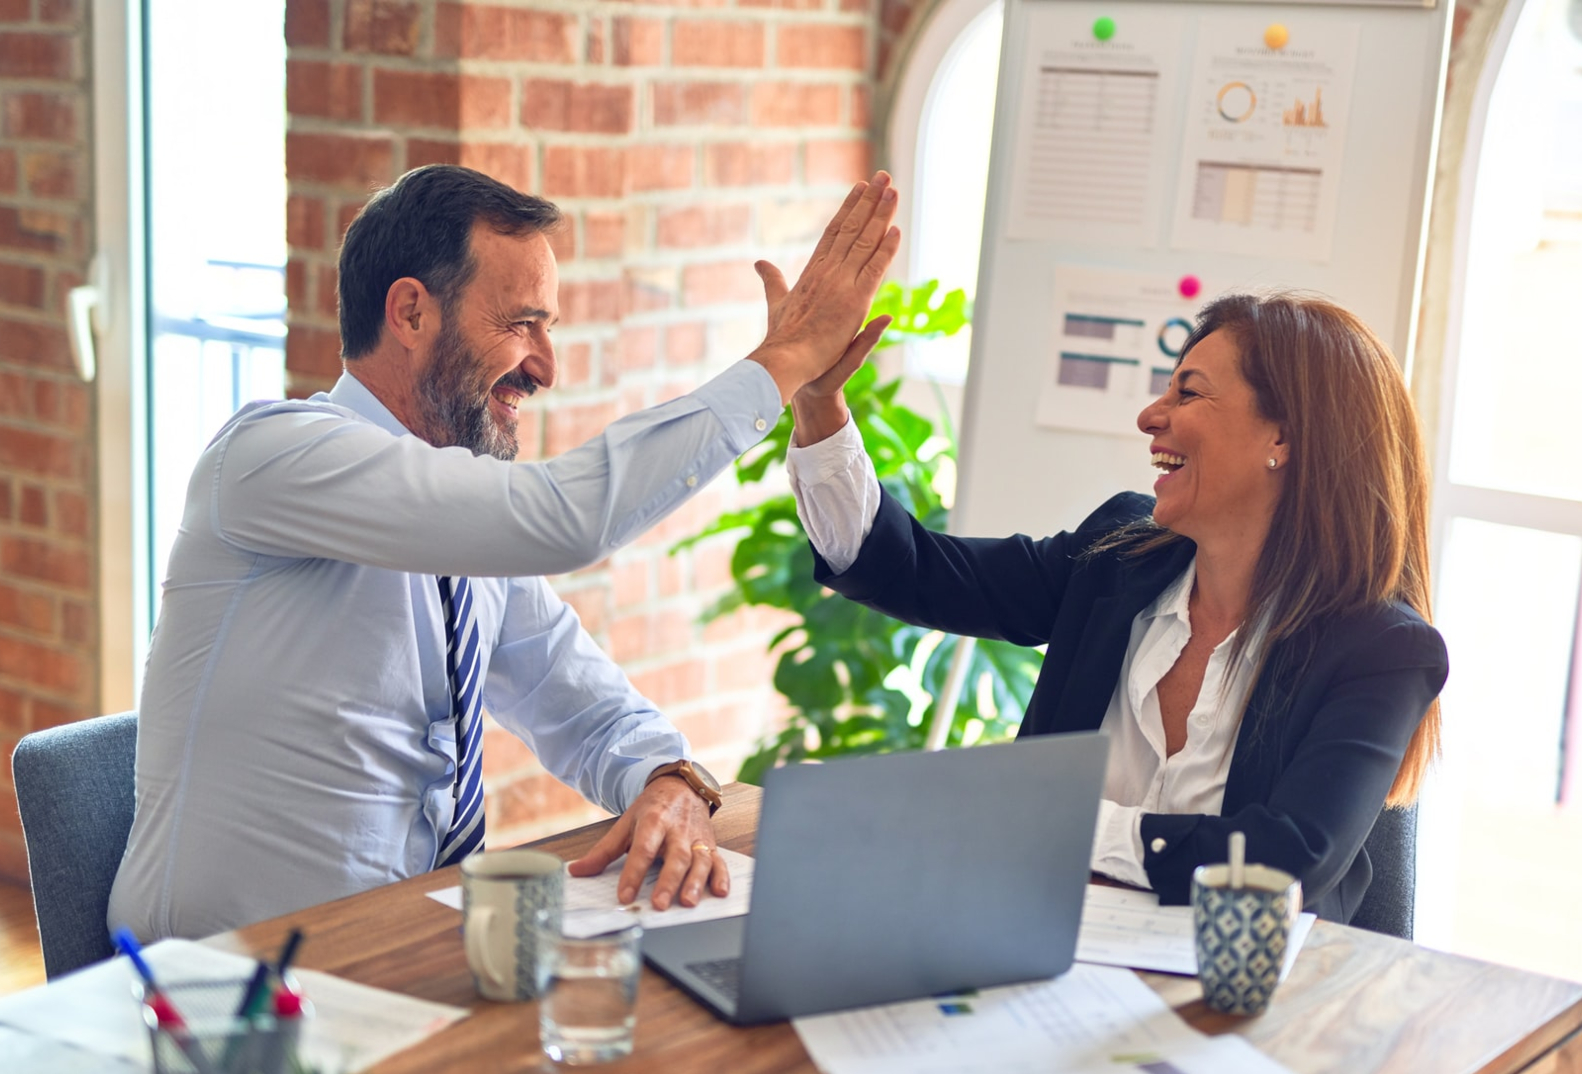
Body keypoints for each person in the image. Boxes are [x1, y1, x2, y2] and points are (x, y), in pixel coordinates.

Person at [108, 164, 899, 941]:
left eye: (548, 328)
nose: (546, 367)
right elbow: (566, 518)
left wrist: (669, 779)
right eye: (523, 323)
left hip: (402, 956)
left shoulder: (463, 531)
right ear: (411, 313)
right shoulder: (272, 457)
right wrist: (785, 361)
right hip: (221, 991)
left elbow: (583, 705)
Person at [783, 292, 1447, 923]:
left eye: (1188, 392)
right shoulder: (1117, 559)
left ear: (1283, 438)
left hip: (1244, 1006)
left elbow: (1283, 862)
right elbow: (912, 571)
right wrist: (819, 403)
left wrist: (1058, 823)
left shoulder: (1381, 650)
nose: (1150, 416)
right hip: (1040, 954)